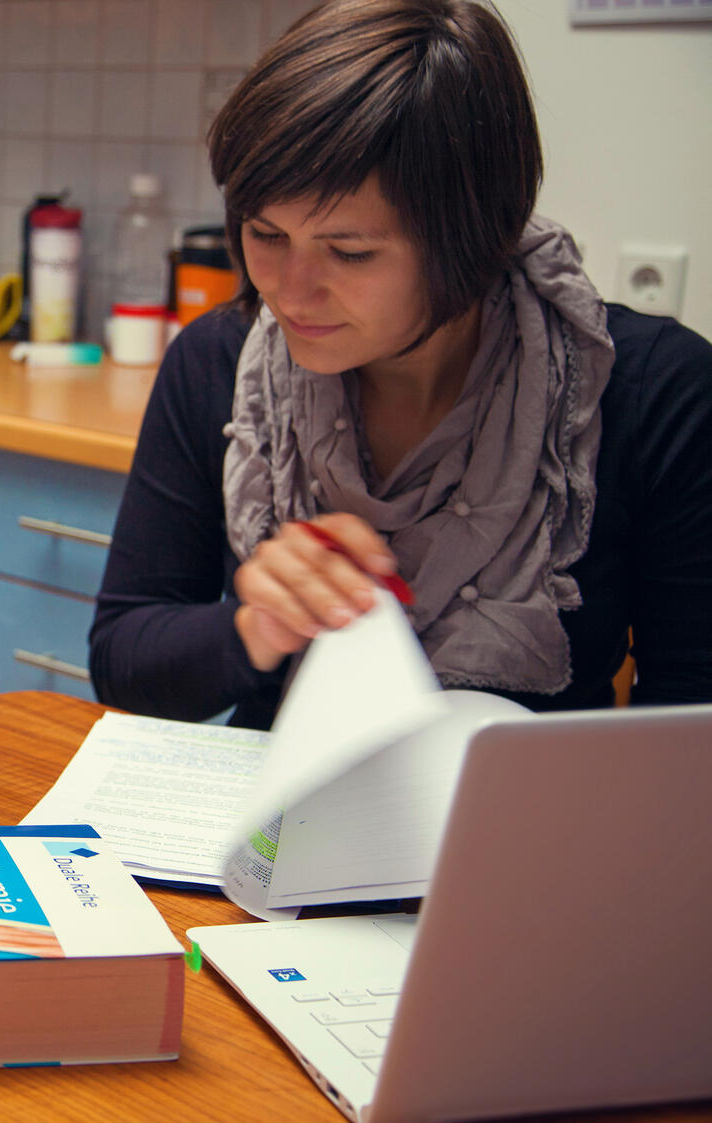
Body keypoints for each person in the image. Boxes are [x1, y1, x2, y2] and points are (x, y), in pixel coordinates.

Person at [90, 0, 712, 729]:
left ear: (471, 238)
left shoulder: (653, 393)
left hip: (533, 805)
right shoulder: (216, 361)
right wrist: (254, 626)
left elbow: (688, 731)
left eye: (349, 252)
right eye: (265, 234)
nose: (289, 292)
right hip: (273, 800)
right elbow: (123, 661)